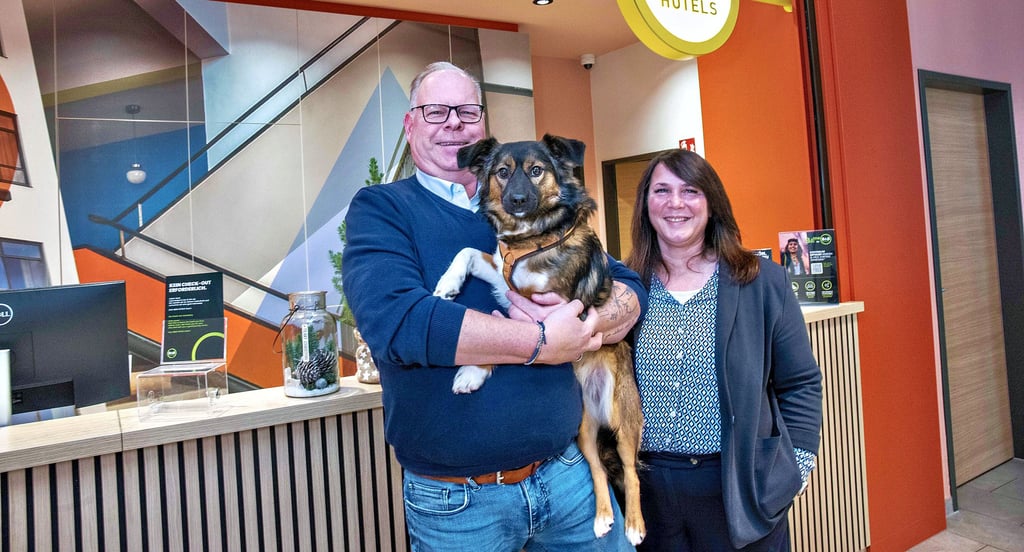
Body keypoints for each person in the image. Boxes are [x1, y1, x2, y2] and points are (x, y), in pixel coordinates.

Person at [341, 61, 646, 551]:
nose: (453, 123)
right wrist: (542, 343)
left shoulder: (527, 207)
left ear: (483, 123)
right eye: (435, 110)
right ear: (410, 123)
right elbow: (399, 325)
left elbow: (626, 286)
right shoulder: (383, 209)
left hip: (568, 474)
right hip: (458, 504)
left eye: (467, 110)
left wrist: (592, 322)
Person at [624, 149, 822, 551]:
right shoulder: (626, 289)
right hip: (647, 491)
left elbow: (801, 383)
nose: (675, 203)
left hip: (737, 485)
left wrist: (797, 468)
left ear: (712, 204)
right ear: (645, 205)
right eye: (661, 190)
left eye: (691, 191)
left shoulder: (761, 282)